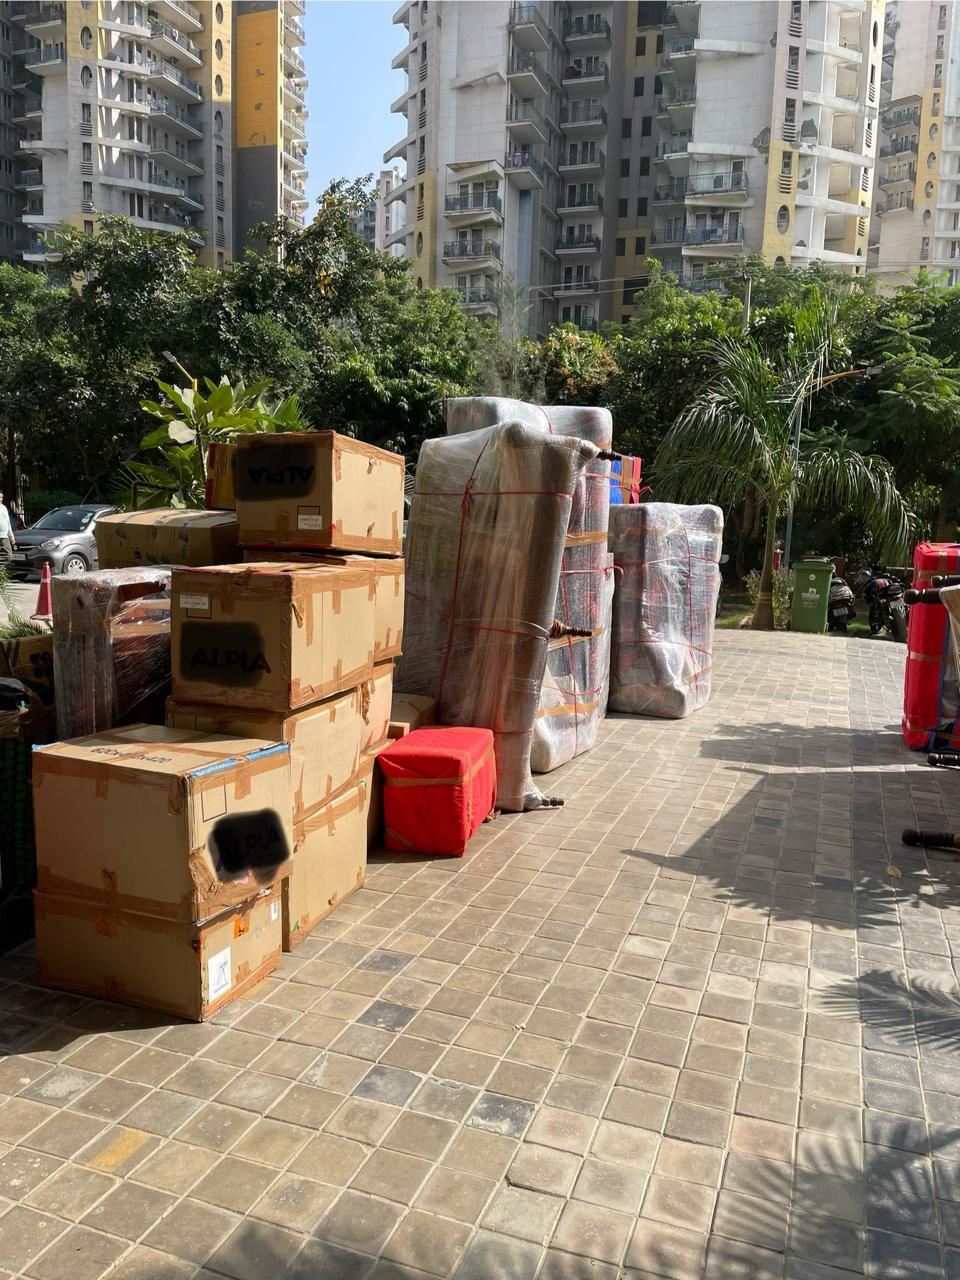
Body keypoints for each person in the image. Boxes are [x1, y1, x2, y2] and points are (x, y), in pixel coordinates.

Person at [0, 490, 15, 563]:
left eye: (1, 497)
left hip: (4, 536)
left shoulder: (4, 508)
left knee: (9, 556)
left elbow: (8, 522)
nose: (0, 499)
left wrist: (11, 536)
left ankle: (2, 569)